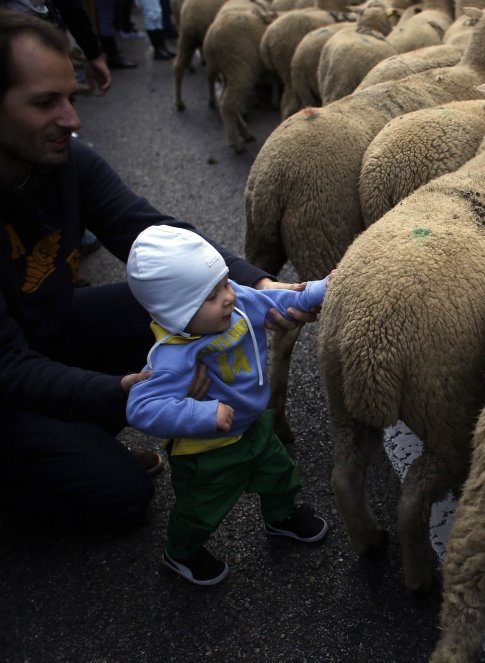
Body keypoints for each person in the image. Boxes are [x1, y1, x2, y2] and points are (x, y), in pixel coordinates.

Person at [0, 11, 313, 532]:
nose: (73, 119)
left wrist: (255, 282)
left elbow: (149, 228)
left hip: (44, 329)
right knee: (121, 496)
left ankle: (73, 437)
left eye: (71, 98)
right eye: (44, 102)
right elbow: (7, 367)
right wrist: (126, 394)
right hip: (7, 376)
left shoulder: (67, 163)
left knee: (175, 305)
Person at [126, 225, 331, 586]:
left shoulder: (233, 302)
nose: (227, 296)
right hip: (207, 450)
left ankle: (281, 518)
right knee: (200, 509)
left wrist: (319, 290)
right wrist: (202, 413)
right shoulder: (173, 356)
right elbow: (142, 407)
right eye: (210, 295)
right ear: (175, 312)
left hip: (253, 425)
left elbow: (273, 302)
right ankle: (181, 553)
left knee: (280, 475)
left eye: (223, 282)